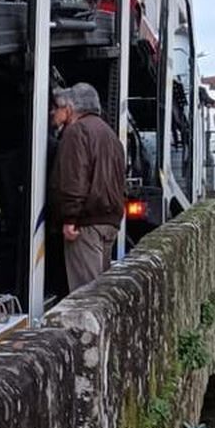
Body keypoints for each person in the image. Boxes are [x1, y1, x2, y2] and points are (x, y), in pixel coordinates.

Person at [51, 83, 125, 292]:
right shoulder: (110, 135)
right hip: (109, 220)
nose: (53, 113)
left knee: (86, 293)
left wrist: (70, 218)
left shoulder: (76, 131)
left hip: (87, 222)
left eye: (56, 108)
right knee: (100, 289)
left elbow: (74, 178)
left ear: (69, 108)